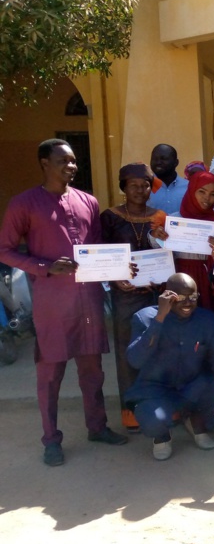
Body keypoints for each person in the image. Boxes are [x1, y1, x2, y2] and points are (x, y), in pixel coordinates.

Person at [0, 139, 129, 465]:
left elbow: (97, 248)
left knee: (92, 371)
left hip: (88, 300)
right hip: (52, 305)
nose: (71, 166)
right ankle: (51, 440)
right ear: (44, 162)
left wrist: (118, 270)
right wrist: (44, 267)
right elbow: (5, 250)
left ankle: (97, 426)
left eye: (73, 161)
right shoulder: (24, 203)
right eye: (63, 161)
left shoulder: (88, 201)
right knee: (50, 374)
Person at [125, 273, 214, 460]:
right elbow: (135, 360)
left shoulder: (207, 320)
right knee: (152, 419)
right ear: (167, 295)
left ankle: (196, 423)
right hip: (155, 389)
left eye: (192, 297)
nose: (187, 303)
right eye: (180, 298)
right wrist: (160, 317)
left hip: (192, 385)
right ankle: (161, 436)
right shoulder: (144, 318)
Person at [101, 162, 168, 433]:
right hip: (125, 296)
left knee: (158, 349)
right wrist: (115, 277)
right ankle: (131, 410)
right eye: (133, 185)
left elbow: (168, 254)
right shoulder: (110, 217)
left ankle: (160, 405)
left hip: (155, 294)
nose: (140, 190)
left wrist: (164, 241)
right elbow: (101, 253)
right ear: (123, 187)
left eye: (144, 185)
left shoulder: (160, 216)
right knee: (128, 351)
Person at [150, 166, 214, 313]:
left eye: (213, 194)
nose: (207, 198)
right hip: (178, 276)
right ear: (192, 191)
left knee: (207, 317)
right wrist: (156, 236)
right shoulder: (173, 219)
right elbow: (159, 251)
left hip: (208, 280)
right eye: (202, 192)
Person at [148, 143, 188, 214]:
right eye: (155, 159)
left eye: (164, 159)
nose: (158, 162)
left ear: (176, 163)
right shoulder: (144, 187)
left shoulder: (188, 187)